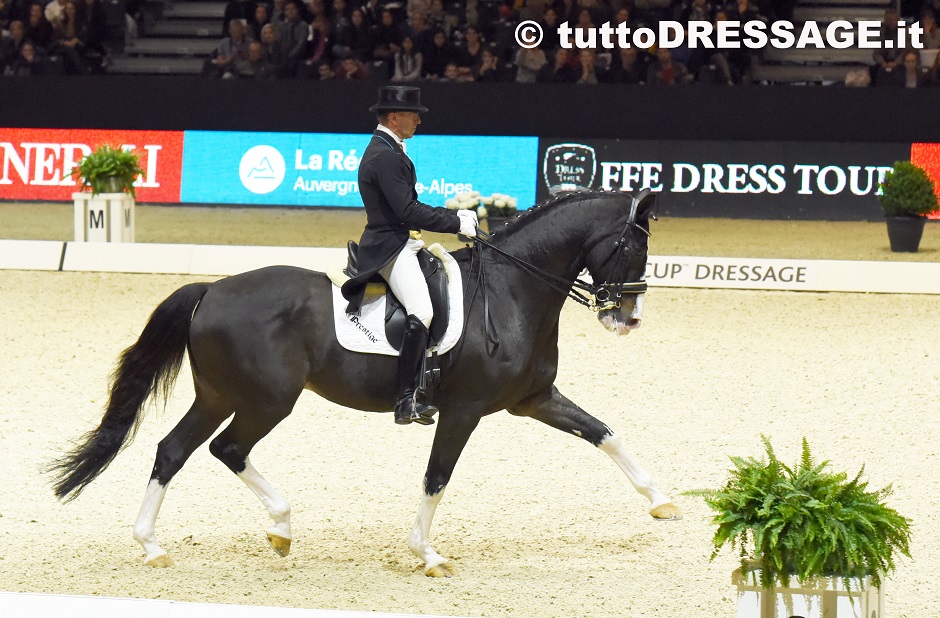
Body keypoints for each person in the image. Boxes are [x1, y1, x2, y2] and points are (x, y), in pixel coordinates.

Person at [341, 86, 477, 427]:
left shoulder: (388, 149)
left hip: (401, 241)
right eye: (413, 114)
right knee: (423, 310)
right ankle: (405, 399)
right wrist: (455, 220)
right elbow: (407, 210)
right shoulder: (385, 156)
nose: (418, 119)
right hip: (389, 247)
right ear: (393, 117)